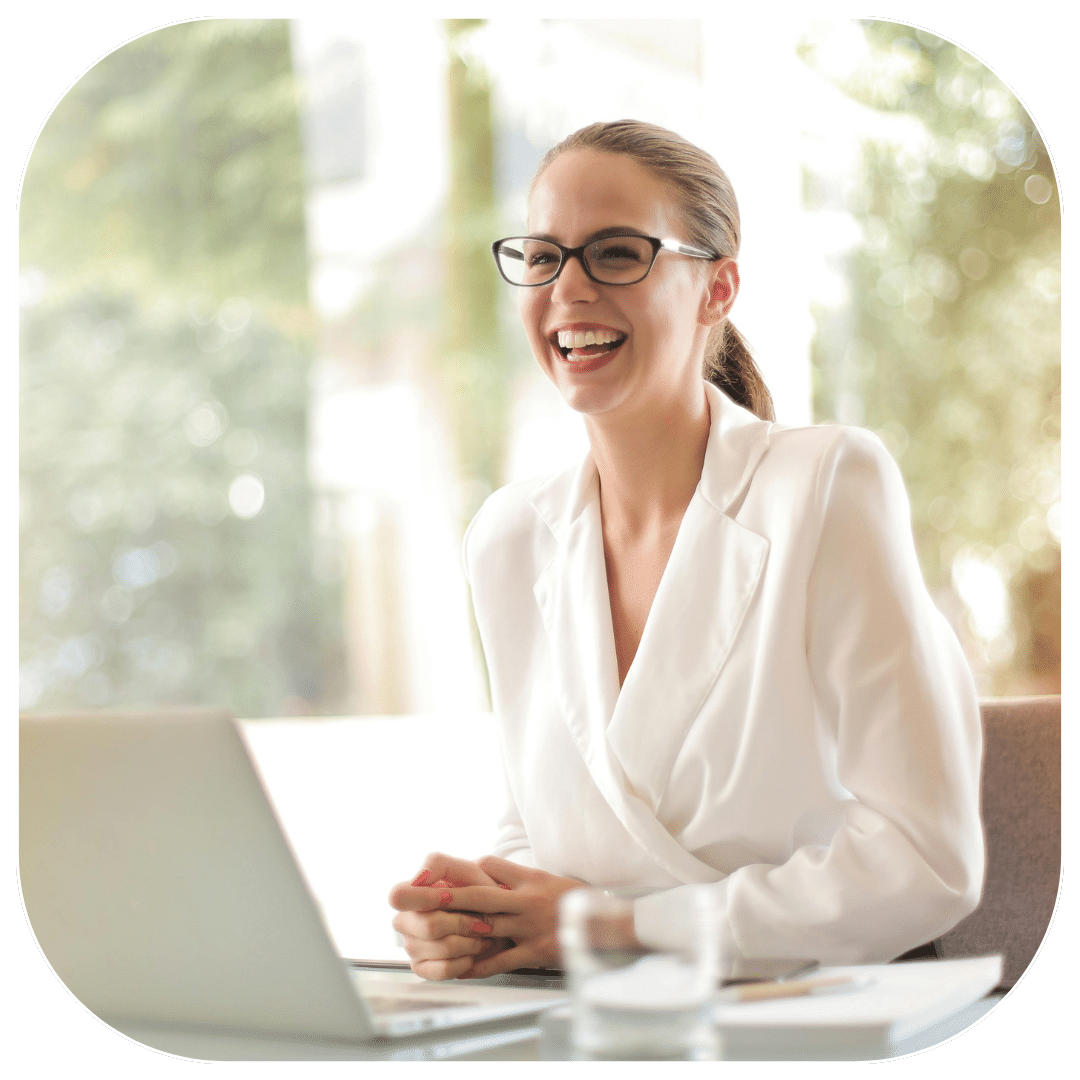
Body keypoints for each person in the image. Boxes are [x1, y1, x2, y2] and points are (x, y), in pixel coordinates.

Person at [388, 120, 984, 981]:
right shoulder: (508, 539)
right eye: (544, 256)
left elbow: (926, 860)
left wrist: (619, 927)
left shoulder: (824, 487)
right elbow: (543, 821)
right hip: (603, 1018)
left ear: (717, 287)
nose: (569, 288)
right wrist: (480, 916)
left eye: (617, 253)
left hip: (810, 1008)